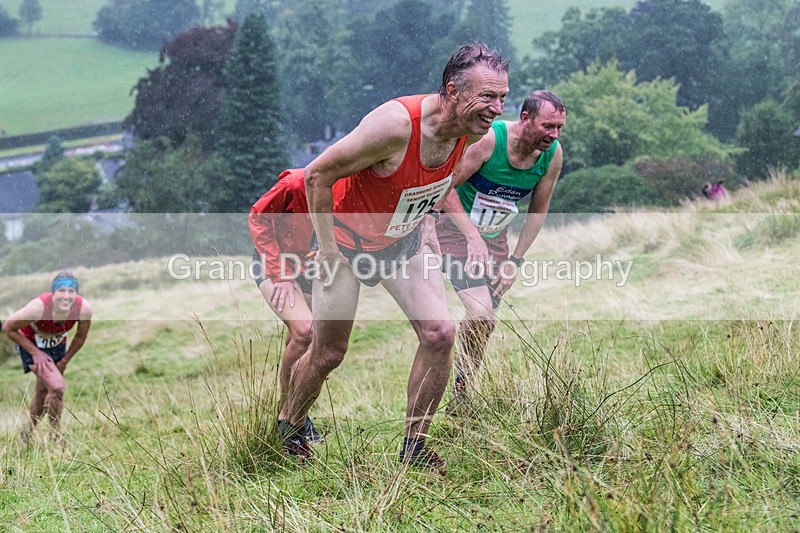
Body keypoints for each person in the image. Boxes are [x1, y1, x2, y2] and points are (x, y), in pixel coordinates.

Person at [278, 43, 509, 470]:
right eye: (487, 97)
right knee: (329, 353)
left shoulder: (475, 134)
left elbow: (440, 181)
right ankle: (289, 426)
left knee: (440, 333)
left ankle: (414, 446)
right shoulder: (396, 126)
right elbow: (317, 175)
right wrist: (327, 251)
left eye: (502, 98)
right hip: (345, 246)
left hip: (401, 243)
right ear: (452, 90)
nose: (496, 108)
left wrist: (427, 223)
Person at [436, 90, 566, 398]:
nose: (554, 134)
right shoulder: (489, 142)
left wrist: (515, 261)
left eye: (559, 127)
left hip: (495, 241)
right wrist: (470, 235)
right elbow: (444, 188)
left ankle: (462, 387)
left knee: (484, 323)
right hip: (455, 232)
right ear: (525, 119)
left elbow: (539, 210)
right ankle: (457, 386)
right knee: (481, 314)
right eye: (548, 126)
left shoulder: (552, 155)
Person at [248, 168, 321, 442]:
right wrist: (280, 273)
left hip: (312, 266)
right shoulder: (294, 184)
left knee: (310, 342)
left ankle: (298, 413)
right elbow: (258, 217)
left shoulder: (350, 187)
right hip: (274, 264)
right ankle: (285, 418)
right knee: (305, 330)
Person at [3, 271, 93, 444]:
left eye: (71, 291)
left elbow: (80, 337)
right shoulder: (39, 308)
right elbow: (8, 328)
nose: (66, 296)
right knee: (57, 388)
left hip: (57, 345)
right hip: (30, 344)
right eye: (61, 291)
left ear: (76, 293)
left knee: (43, 391)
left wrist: (65, 360)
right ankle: (56, 437)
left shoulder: (83, 310)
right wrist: (36, 353)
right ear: (53, 293)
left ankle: (27, 434)